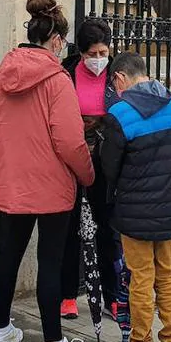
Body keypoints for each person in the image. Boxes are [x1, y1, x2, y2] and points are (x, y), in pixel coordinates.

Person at [0, 0, 95, 342]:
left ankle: (0, 329)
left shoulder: (5, 74)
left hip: (11, 181)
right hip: (50, 186)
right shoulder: (57, 80)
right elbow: (69, 140)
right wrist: (87, 174)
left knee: (8, 258)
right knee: (50, 263)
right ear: (58, 41)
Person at [103, 52, 171, 342]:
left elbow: (110, 168)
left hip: (136, 212)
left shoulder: (120, 114)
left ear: (120, 78)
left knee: (141, 278)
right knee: (167, 276)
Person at [59, 18, 120, 320]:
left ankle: (112, 296)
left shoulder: (116, 76)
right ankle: (68, 294)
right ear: (81, 52)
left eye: (103, 53)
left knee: (107, 230)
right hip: (72, 159)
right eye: (92, 54)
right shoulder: (66, 75)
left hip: (107, 162)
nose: (98, 59)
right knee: (70, 229)